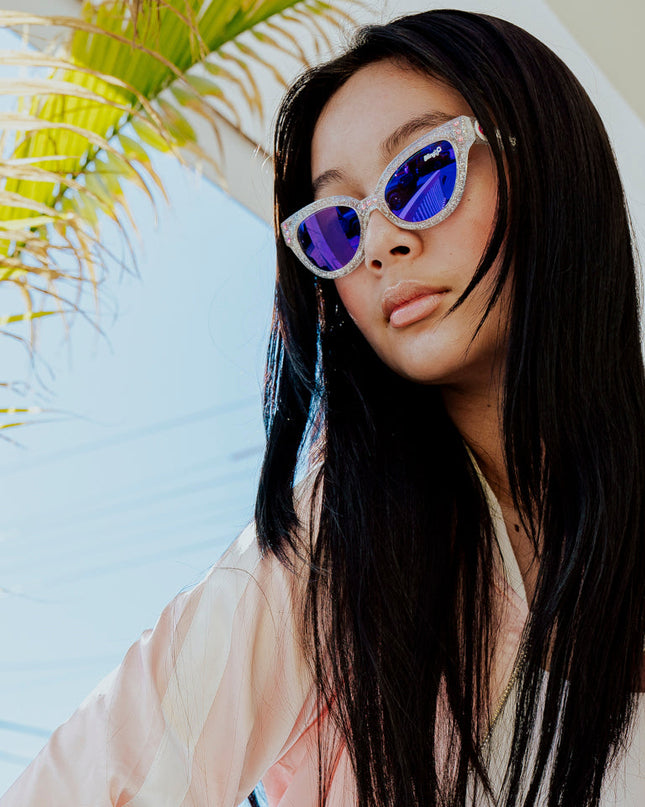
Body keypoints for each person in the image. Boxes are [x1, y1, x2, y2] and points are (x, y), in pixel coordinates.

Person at [2, 8, 645, 807]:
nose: (379, 243)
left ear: (543, 157)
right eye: (337, 227)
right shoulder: (330, 556)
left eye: (419, 176)